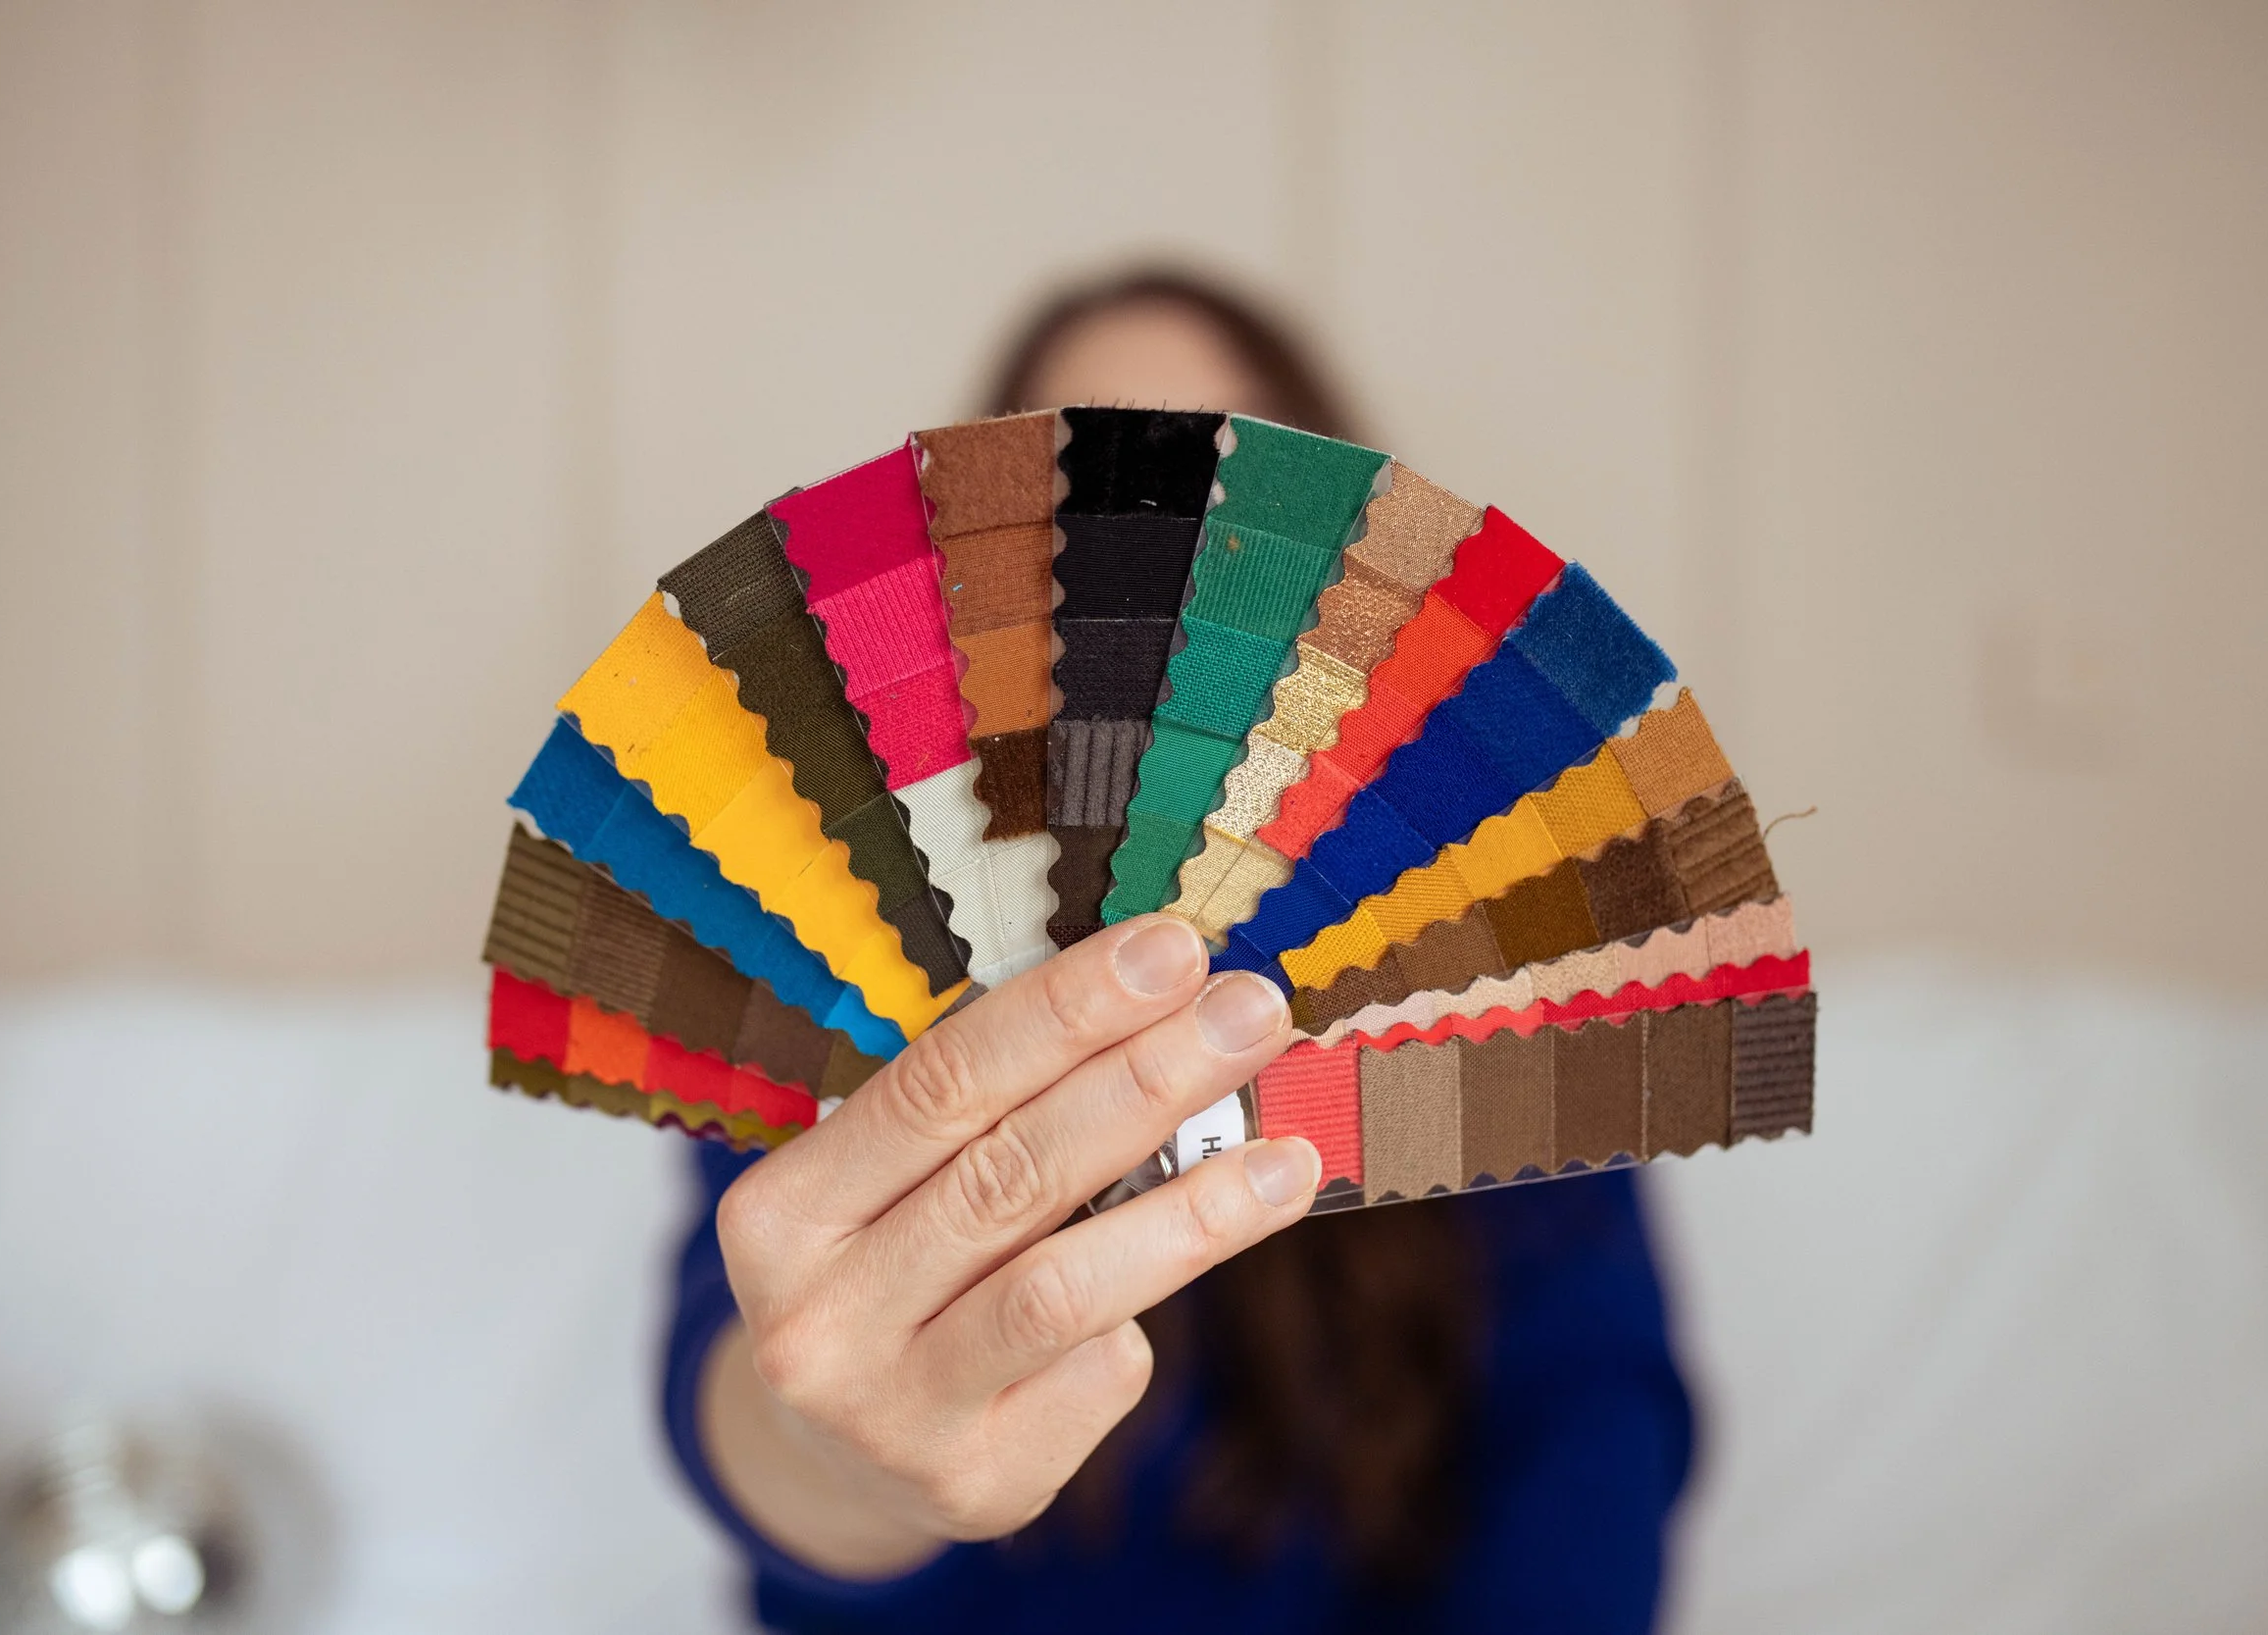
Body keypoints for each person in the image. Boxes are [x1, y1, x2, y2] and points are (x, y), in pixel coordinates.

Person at [663, 270, 1694, 1633]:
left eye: (1238, 492)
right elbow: (741, 1390)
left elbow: (1591, 1437)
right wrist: (838, 1447)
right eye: (1084, 494)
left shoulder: (1496, 974)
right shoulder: (835, 962)